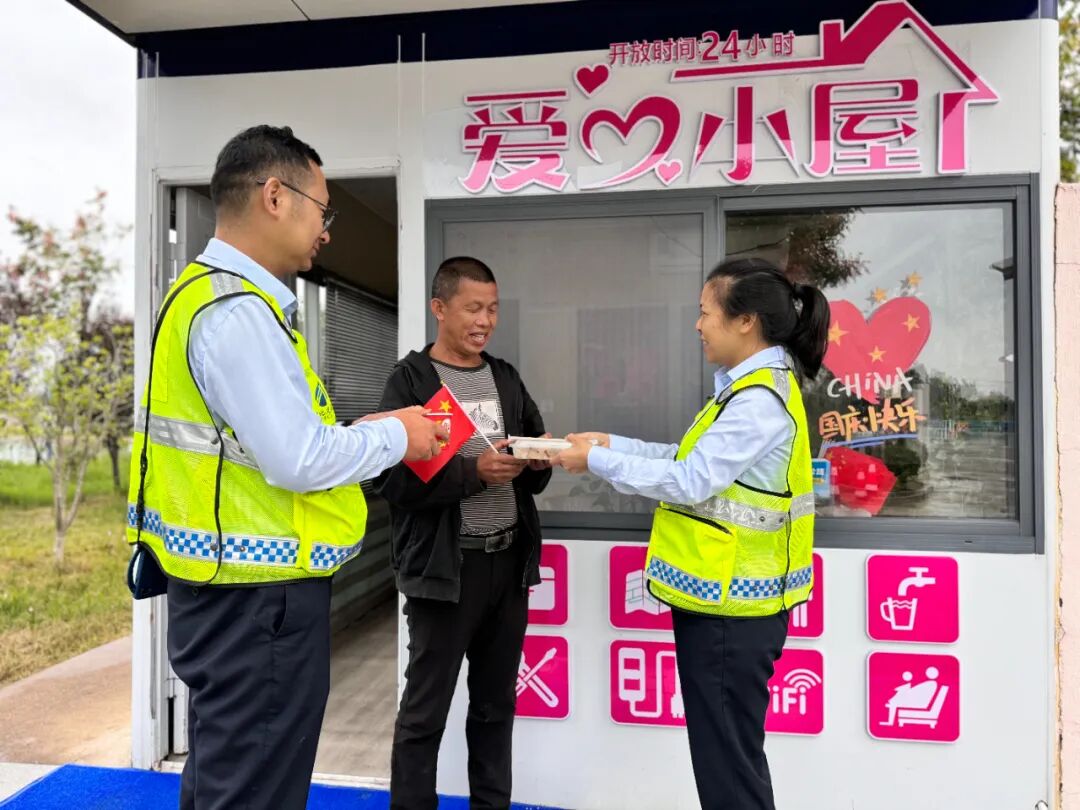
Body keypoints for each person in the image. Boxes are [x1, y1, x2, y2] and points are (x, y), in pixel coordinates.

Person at [125, 124, 447, 810]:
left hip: (224, 589)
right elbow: (298, 459)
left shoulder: (201, 297)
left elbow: (264, 446)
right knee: (256, 788)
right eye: (322, 209)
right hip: (257, 603)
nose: (325, 230)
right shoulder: (238, 313)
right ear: (275, 196)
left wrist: (369, 430)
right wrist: (399, 437)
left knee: (227, 776)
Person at [554, 257, 830, 810]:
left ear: (746, 321)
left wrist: (599, 462)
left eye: (705, 313)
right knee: (726, 759)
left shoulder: (758, 402)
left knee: (728, 768)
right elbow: (687, 459)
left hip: (733, 611)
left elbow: (689, 479)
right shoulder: (748, 391)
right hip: (727, 604)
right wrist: (609, 445)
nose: (698, 325)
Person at [376, 256, 552, 810]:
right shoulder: (410, 381)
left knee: (496, 708)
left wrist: (537, 459)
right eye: (473, 308)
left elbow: (535, 455)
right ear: (439, 308)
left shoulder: (504, 377)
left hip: (508, 565)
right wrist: (473, 474)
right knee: (424, 713)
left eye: (493, 309)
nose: (485, 321)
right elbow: (392, 481)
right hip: (445, 572)